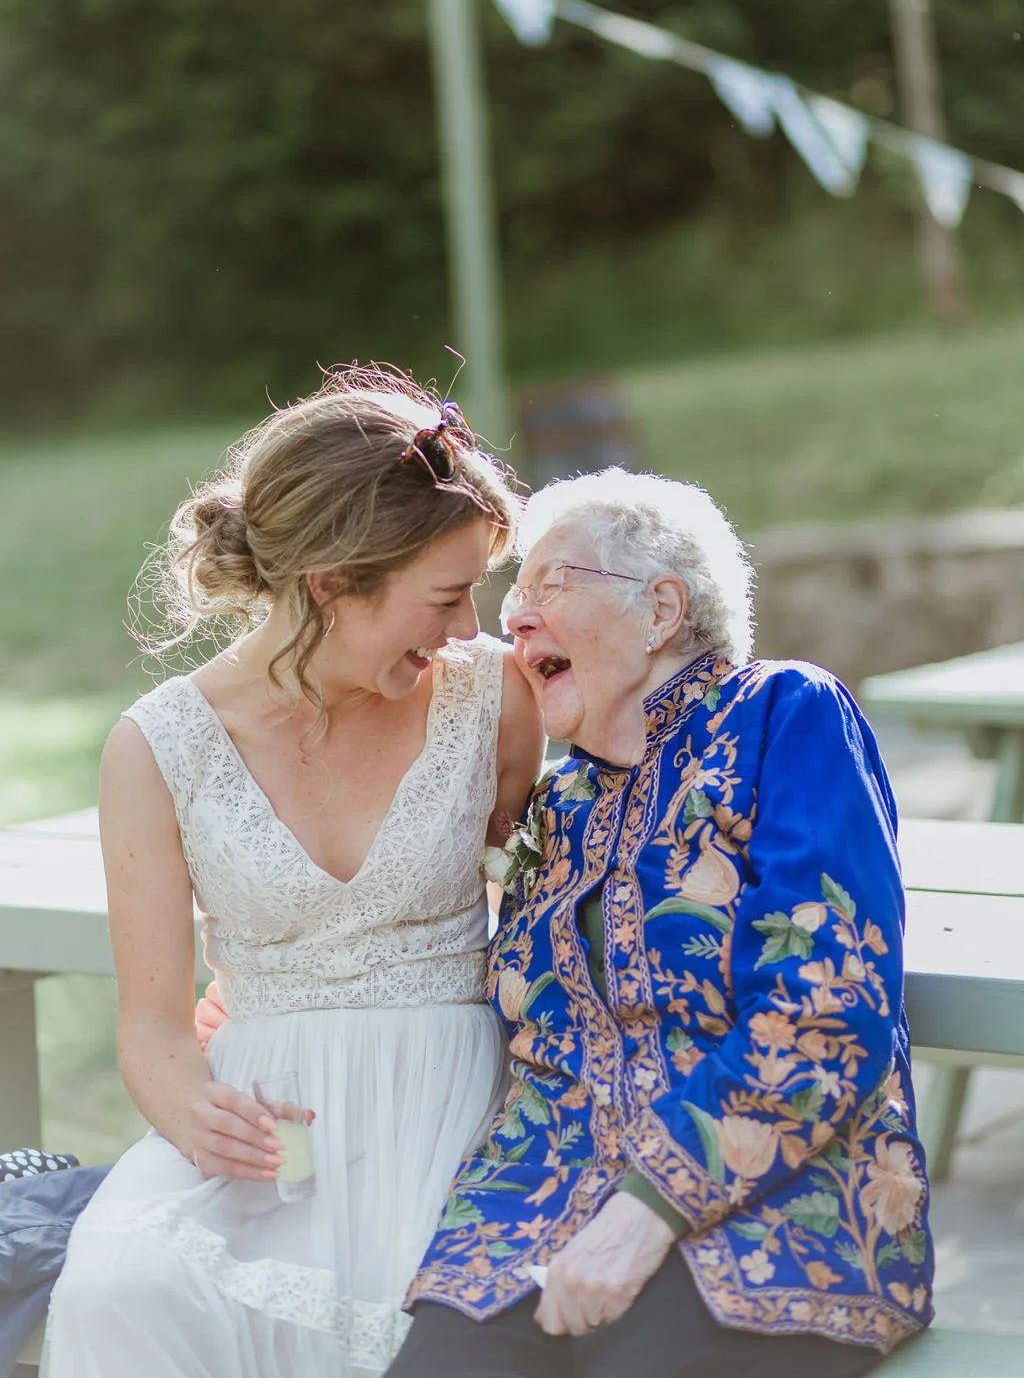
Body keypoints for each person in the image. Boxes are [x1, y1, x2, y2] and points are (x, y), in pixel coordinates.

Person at [42, 368, 544, 1378]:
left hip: (455, 1113)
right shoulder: (158, 748)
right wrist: (195, 1113)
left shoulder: (495, 698)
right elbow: (149, 1028)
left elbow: (542, 919)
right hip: (269, 1139)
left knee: (425, 1317)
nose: (467, 628)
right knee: (122, 1288)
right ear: (328, 587)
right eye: (446, 596)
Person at [391, 467, 934, 1378]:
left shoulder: (783, 714)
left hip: (764, 1221)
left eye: (550, 585)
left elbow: (825, 1006)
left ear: (661, 611)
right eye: (513, 597)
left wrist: (647, 1212)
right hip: (532, 1219)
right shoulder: (557, 801)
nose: (514, 620)